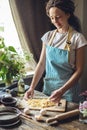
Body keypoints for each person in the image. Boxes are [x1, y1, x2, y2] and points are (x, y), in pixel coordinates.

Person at [24, 0, 87, 103]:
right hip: (48, 90)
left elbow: (79, 71)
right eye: (52, 18)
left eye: (58, 17)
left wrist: (62, 90)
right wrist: (31, 88)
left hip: (68, 92)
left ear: (68, 14)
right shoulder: (48, 36)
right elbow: (41, 64)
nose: (55, 21)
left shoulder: (78, 39)